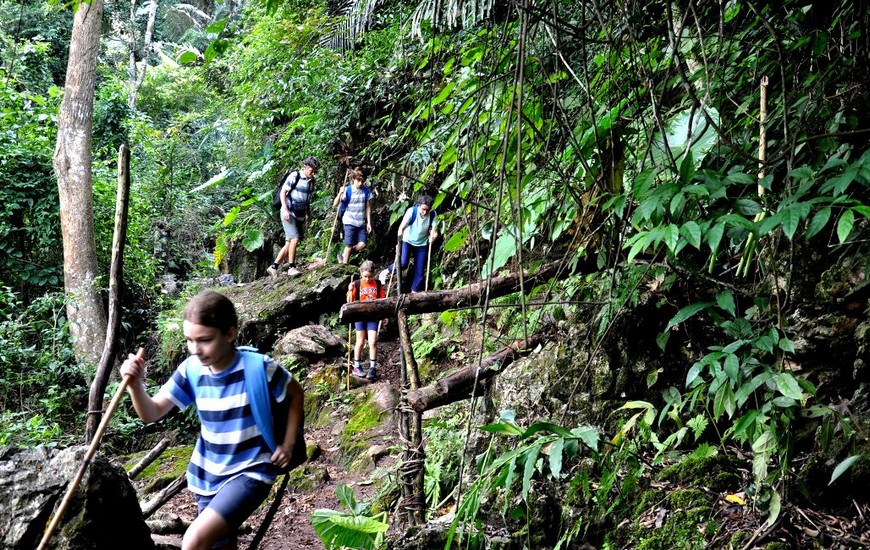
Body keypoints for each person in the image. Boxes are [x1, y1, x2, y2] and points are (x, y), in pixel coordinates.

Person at [120, 291, 304, 550]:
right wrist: (135, 386)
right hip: (207, 475)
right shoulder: (190, 369)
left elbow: (295, 395)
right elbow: (151, 413)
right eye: (189, 341)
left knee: (194, 539)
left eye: (204, 340)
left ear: (230, 334)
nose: (195, 350)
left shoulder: (259, 367)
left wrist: (286, 444)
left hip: (251, 470)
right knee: (219, 545)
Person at [267, 156, 320, 278]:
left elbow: (307, 200)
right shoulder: (294, 176)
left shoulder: (311, 182)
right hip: (288, 212)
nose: (313, 173)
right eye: (312, 171)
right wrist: (285, 209)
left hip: (300, 213)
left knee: (289, 242)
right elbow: (283, 193)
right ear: (305, 168)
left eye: (315, 171)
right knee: (295, 239)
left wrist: (308, 215)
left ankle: (273, 267)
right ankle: (291, 267)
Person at [378, 195, 438, 293]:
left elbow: (435, 232)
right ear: (419, 206)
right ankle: (387, 271)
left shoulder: (432, 214)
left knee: (420, 270)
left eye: (427, 210)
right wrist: (400, 236)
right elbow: (402, 227)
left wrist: (433, 238)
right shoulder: (412, 211)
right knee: (403, 263)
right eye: (423, 209)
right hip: (408, 241)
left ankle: (414, 292)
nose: (425, 212)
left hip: (422, 244)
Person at [346, 260, 385, 380]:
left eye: (370, 276)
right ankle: (357, 366)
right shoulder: (357, 284)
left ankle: (373, 367)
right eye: (365, 277)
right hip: (360, 316)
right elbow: (349, 302)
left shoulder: (377, 284)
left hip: (373, 316)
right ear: (361, 273)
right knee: (360, 341)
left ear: (373, 274)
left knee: (373, 341)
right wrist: (350, 290)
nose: (367, 279)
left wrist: (384, 316)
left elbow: (383, 300)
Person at [332, 167, 373, 264]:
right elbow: (335, 204)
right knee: (349, 245)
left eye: (362, 181)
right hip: (349, 221)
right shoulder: (347, 190)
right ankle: (344, 266)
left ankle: (343, 255)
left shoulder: (366, 191)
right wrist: (340, 194)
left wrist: (369, 223)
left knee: (362, 244)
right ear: (353, 179)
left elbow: (368, 207)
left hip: (361, 222)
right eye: (358, 180)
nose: (360, 183)